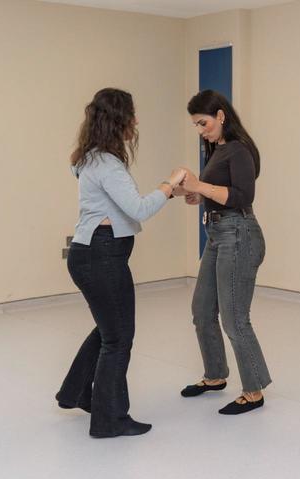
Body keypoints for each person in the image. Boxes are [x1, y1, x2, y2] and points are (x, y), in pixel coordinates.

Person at [56, 88, 185, 438]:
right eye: (132, 114)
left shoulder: (89, 158)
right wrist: (169, 184)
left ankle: (76, 392)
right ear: (118, 120)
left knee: (108, 330)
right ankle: (109, 419)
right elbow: (138, 209)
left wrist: (167, 193)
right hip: (102, 256)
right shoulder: (107, 164)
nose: (136, 120)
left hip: (88, 254)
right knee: (118, 338)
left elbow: (113, 200)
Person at [178, 90, 271, 415]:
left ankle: (254, 391)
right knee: (202, 310)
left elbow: (243, 196)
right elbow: (220, 192)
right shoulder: (217, 150)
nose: (200, 130)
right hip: (218, 234)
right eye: (196, 125)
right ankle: (215, 375)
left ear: (220, 115)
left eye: (203, 123)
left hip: (238, 234)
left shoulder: (239, 149)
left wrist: (200, 186)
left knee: (234, 318)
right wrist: (197, 195)